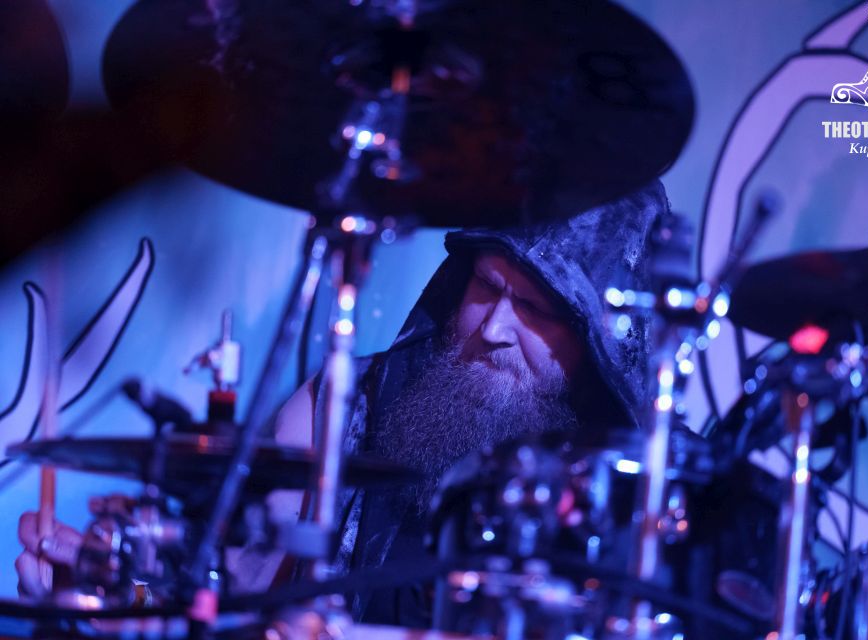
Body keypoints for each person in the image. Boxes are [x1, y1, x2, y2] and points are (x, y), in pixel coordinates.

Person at [16, 180, 671, 626]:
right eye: (485, 287)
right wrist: (120, 605)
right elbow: (237, 596)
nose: (495, 326)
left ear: (601, 340)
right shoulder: (342, 406)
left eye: (534, 309)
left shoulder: (648, 495)